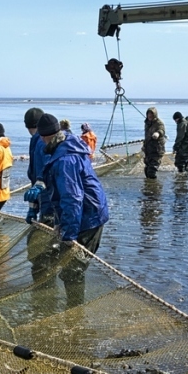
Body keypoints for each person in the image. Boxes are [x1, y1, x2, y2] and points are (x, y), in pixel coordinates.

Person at [36, 112, 110, 305]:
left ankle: (75, 312)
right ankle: (75, 306)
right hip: (89, 211)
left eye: (42, 138)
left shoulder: (65, 160)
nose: (42, 142)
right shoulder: (67, 144)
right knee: (71, 268)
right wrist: (60, 223)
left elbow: (72, 198)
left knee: (72, 269)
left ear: (46, 136)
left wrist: (69, 235)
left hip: (89, 216)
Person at [23, 106, 55, 224]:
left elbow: (48, 170)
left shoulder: (41, 142)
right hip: (45, 197)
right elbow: (35, 177)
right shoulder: (36, 141)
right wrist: (33, 207)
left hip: (50, 199)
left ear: (26, 125)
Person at [143, 107, 166, 179]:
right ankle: (150, 184)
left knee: (151, 171)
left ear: (155, 115)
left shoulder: (159, 123)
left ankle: (154, 185)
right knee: (146, 170)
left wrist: (157, 133)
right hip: (148, 150)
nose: (150, 116)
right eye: (148, 114)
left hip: (157, 150)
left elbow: (161, 130)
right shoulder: (147, 123)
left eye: (151, 114)